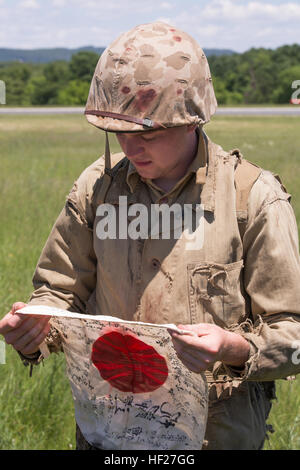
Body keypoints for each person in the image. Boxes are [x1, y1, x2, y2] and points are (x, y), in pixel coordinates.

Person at [1, 21, 300, 450]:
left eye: (149, 133)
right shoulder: (96, 188)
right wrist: (35, 327)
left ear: (192, 118)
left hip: (213, 438)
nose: (130, 147)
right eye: (118, 132)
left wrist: (234, 349)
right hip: (108, 434)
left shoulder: (252, 198)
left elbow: (294, 339)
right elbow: (58, 292)